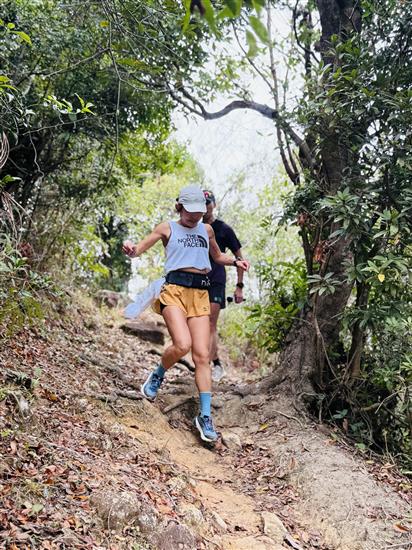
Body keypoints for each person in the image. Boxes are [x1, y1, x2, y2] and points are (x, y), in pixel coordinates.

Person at [122, 185, 250, 443]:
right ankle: (158, 374)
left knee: (202, 355)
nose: (195, 216)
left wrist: (236, 262)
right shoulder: (166, 228)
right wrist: (130, 248)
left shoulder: (207, 230)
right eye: (190, 211)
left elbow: (217, 256)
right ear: (180, 207)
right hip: (174, 291)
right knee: (182, 345)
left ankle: (205, 416)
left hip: (200, 294)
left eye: (199, 212)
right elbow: (138, 250)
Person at [203, 190, 244, 382]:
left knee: (210, 323)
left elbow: (239, 257)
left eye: (208, 203)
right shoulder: (192, 226)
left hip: (216, 279)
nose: (205, 207)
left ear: (214, 205)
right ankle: (214, 362)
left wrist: (239, 286)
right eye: (202, 203)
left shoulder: (224, 229)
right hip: (194, 280)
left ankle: (210, 366)